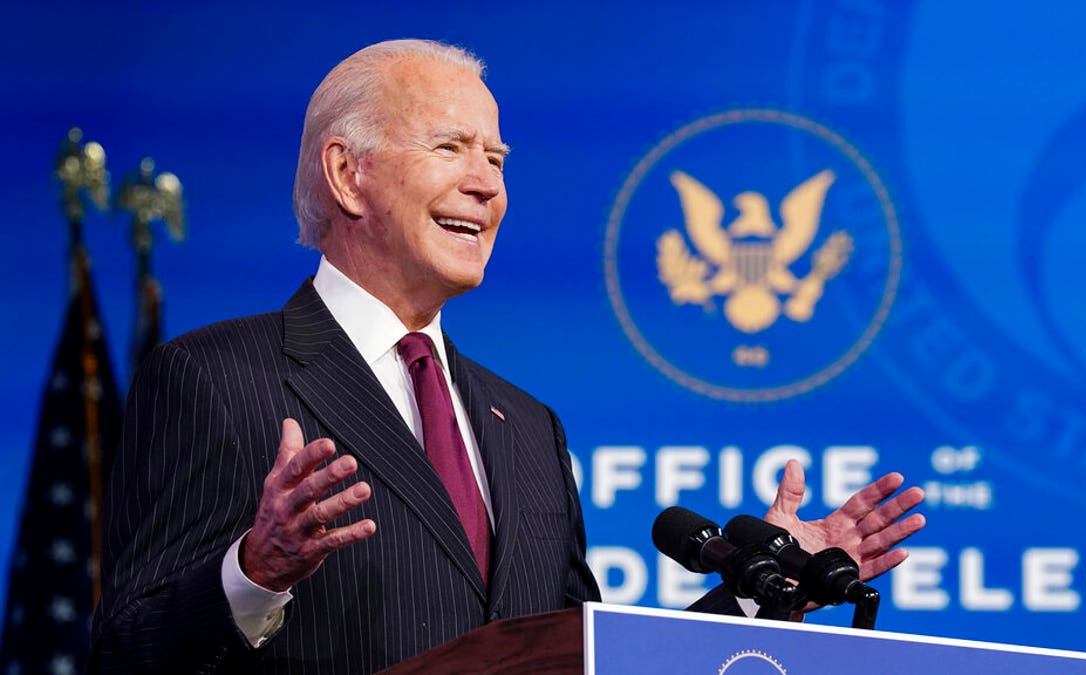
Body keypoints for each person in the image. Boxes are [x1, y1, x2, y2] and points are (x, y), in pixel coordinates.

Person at [91, 39, 925, 674]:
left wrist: (759, 592)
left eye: (496, 159)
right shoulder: (216, 378)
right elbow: (123, 652)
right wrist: (254, 571)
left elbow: (573, 656)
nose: (487, 184)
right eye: (451, 148)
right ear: (348, 175)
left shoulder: (526, 425)